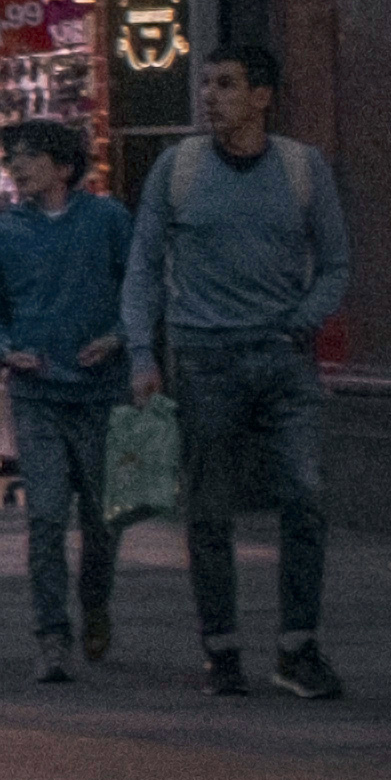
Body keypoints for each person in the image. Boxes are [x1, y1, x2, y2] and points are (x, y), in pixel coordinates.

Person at [124, 41, 351, 700]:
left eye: (225, 84)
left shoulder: (301, 168)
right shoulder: (179, 167)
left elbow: (335, 260)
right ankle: (220, 648)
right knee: (208, 508)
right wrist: (142, 352)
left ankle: (296, 647)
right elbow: (142, 264)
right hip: (204, 358)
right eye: (205, 85)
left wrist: (302, 320)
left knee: (304, 497)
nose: (209, 97)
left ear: (261, 96)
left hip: (283, 357)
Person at [0, 118, 133, 676]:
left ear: (64, 166)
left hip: (100, 392)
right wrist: (5, 349)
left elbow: (138, 291)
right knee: (44, 516)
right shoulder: (3, 233)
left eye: (29, 156)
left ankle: (95, 603)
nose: (16, 167)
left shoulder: (108, 220)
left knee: (101, 519)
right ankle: (51, 635)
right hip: (36, 393)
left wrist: (119, 338)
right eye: (12, 158)